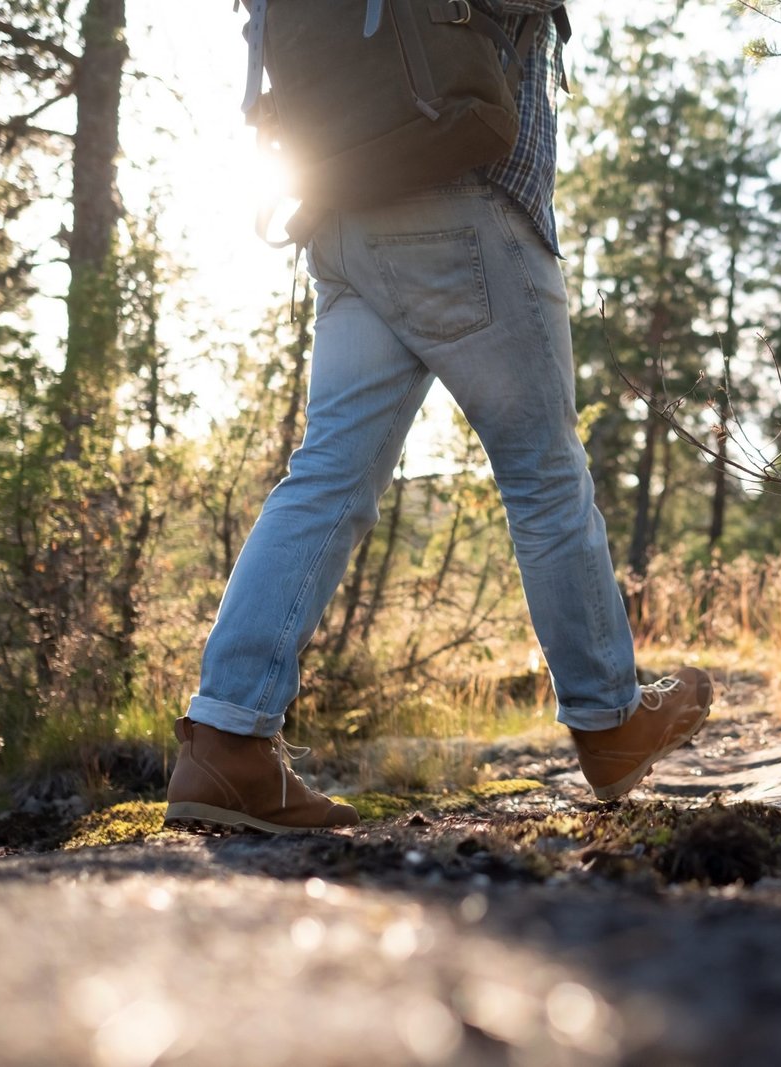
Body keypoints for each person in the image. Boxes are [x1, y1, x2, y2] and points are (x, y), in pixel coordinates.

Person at [165, 0, 712, 834]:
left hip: (342, 214)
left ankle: (226, 740)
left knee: (325, 479)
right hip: (463, 198)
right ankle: (609, 721)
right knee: (545, 475)